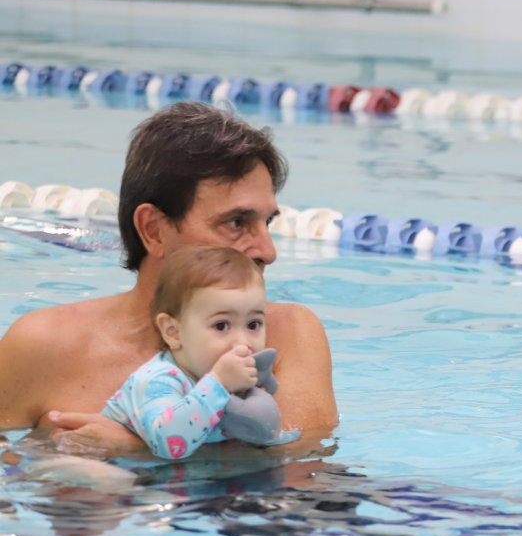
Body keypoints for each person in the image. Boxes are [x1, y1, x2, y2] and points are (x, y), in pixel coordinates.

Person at [0, 101, 337, 452]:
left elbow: (302, 465)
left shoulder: (290, 336)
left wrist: (136, 449)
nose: (268, 251)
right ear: (154, 230)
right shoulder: (41, 346)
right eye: (237, 223)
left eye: (267, 222)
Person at [103, 245, 294, 459]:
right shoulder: (157, 381)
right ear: (173, 332)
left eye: (253, 325)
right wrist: (219, 384)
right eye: (221, 326)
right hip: (109, 463)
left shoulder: (236, 378)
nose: (243, 343)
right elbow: (169, 445)